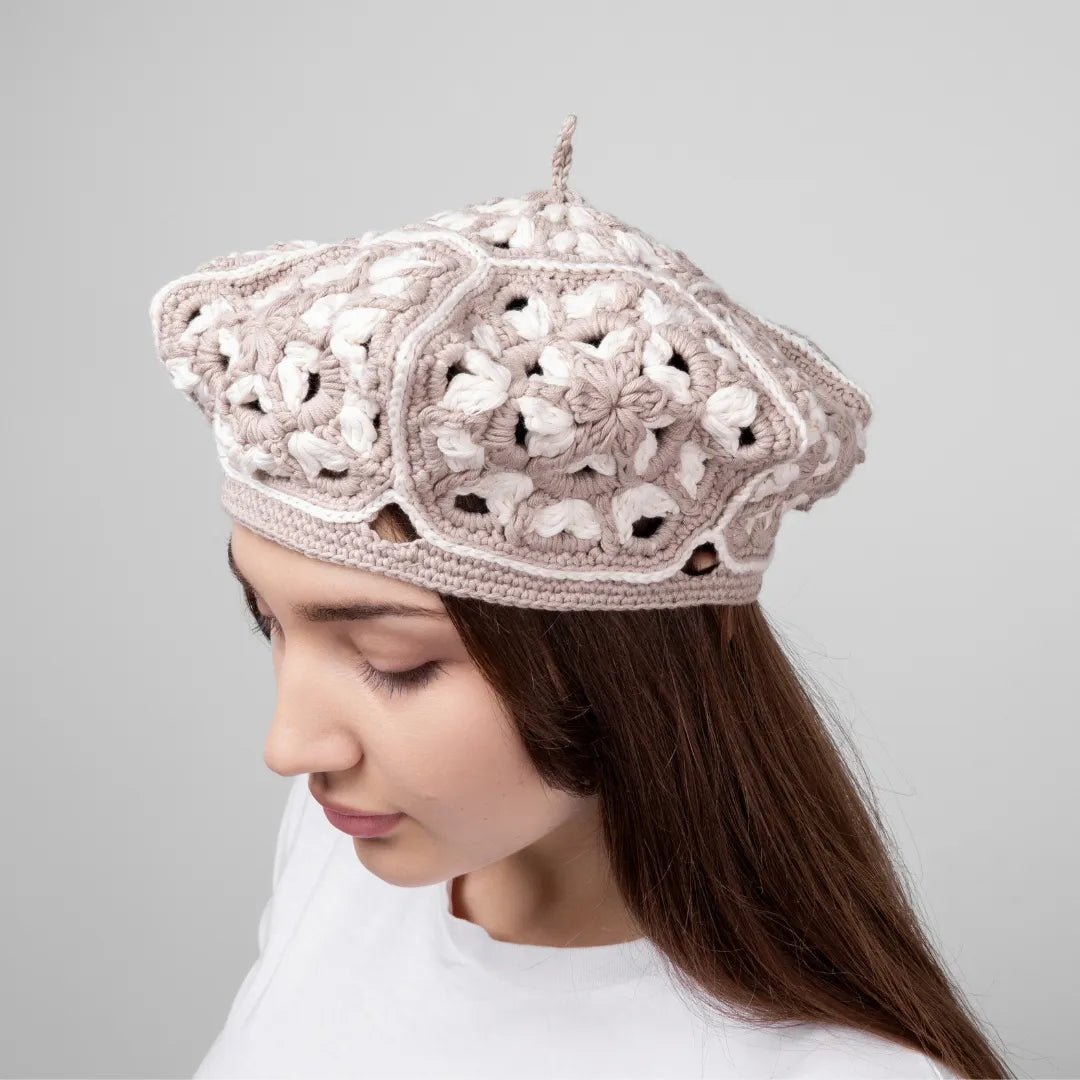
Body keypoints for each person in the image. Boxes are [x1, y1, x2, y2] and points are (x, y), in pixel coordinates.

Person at [149, 115, 1012, 1078]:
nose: (289, 747)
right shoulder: (344, 854)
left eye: (397, 664)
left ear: (629, 662)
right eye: (267, 622)